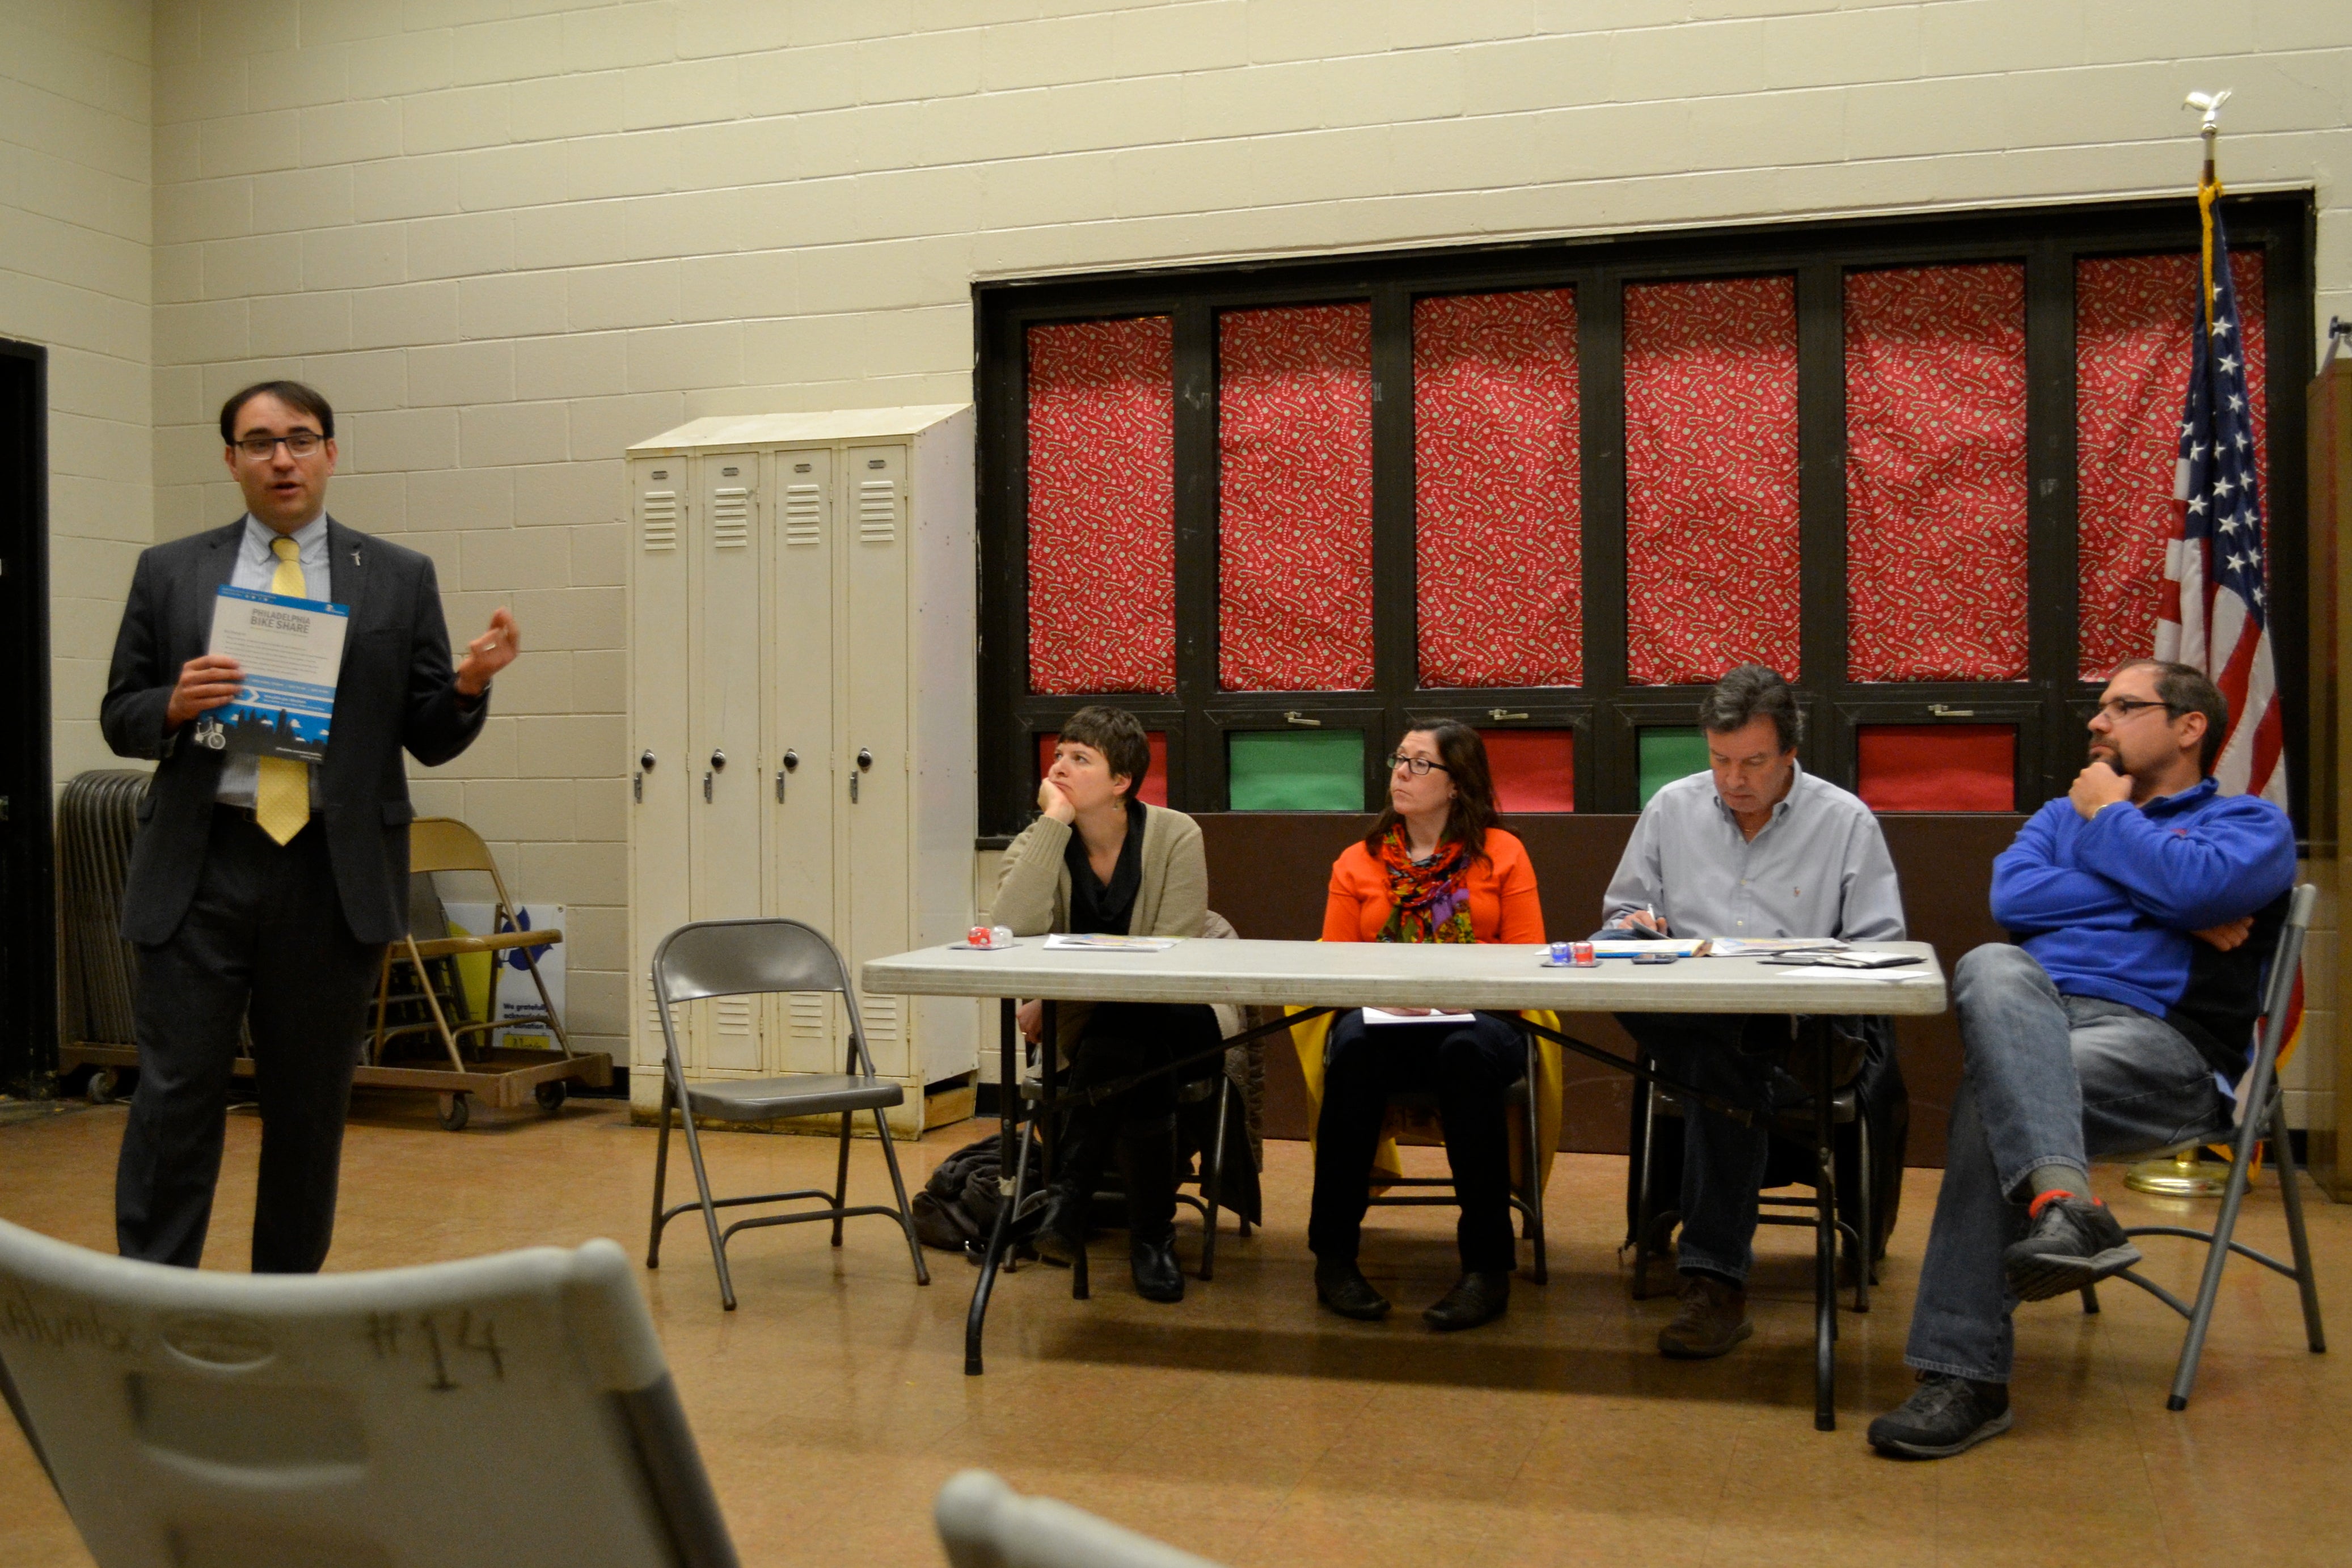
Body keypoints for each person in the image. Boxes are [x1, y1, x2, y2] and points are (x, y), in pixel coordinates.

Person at [102, 379, 518, 1273]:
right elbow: (119, 711)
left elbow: (430, 735)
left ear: (331, 451)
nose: (280, 459)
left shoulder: (398, 576)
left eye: (299, 439)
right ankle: (149, 1299)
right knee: (174, 1101)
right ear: (231, 461)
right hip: (201, 865)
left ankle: (284, 1305)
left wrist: (471, 685)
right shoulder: (171, 569)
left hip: (329, 875)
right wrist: (169, 707)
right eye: (259, 443)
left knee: (309, 1105)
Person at [1868, 660, 2295, 1459]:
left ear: (2187, 726)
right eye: (2097, 710)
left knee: (1987, 1097)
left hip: (2160, 1047)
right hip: (2033, 1018)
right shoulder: (2059, 815)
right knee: (1991, 964)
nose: (2095, 722)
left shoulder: (2244, 824)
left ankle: (1963, 1378)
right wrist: (2162, 894)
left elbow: (2202, 884)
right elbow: (2015, 901)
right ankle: (2065, 1207)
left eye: (2120, 707)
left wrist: (2106, 824)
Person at [1601, 665, 1905, 1359]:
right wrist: (1636, 928)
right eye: (1718, 759)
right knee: (1692, 1031)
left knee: (1718, 1070)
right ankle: (1715, 1279)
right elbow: (1618, 917)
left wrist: (1795, 976)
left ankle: (1715, 1282)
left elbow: (1879, 949)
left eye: (1752, 762)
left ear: (1790, 752)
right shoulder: (1672, 808)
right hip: (1694, 1012)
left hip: (1806, 1032)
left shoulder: (1845, 821)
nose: (1732, 779)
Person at [1307, 721, 1544, 1332]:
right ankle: (1333, 1258)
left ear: (1458, 785)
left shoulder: (1503, 853)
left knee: (1465, 1055)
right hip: (1385, 1019)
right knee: (1354, 1050)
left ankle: (1486, 1269)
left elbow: (1529, 958)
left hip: (1484, 1022)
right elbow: (1332, 965)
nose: (1400, 773)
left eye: (1420, 763)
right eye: (1399, 760)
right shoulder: (1356, 860)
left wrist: (1457, 994)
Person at [992, 705, 1215, 1303]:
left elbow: (1172, 956)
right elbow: (1011, 925)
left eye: (1079, 758)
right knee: (1130, 1053)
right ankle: (1151, 1241)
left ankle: (1068, 1196)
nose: (1058, 766)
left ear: (1121, 782)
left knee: (1134, 1021)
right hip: (1108, 1037)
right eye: (1059, 753)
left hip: (1181, 1016)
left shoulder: (1175, 834)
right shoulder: (1040, 841)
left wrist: (1059, 998)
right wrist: (1055, 822)